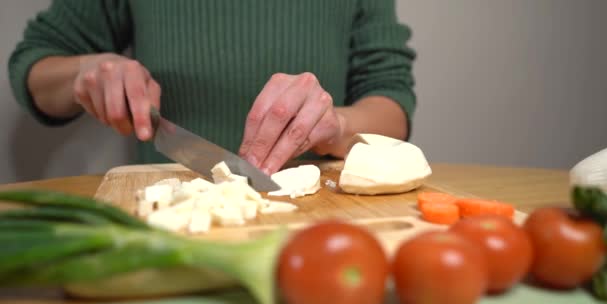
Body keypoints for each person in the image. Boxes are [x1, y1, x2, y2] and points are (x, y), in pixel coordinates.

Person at [8, 0, 416, 175]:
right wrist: (86, 72)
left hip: (320, 226)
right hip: (170, 217)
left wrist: (338, 126)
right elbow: (35, 65)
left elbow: (392, 98)